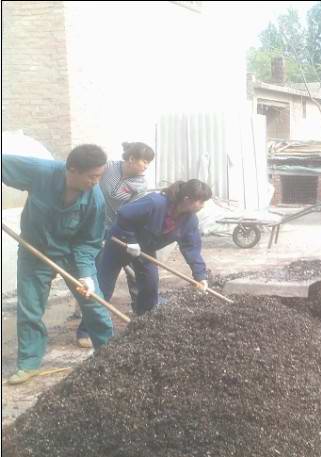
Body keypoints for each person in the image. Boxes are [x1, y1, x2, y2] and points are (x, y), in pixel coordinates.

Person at [2, 145, 114, 385]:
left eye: (100, 176)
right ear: (71, 169)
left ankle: (110, 352)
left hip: (74, 255)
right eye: (92, 176)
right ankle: (29, 363)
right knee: (30, 308)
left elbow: (90, 240)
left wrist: (85, 274)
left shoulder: (95, 199)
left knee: (93, 302)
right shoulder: (41, 172)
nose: (96, 182)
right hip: (36, 252)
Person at [75, 141, 155, 348]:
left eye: (148, 162)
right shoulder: (108, 167)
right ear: (130, 159)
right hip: (88, 222)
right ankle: (85, 325)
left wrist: (120, 235)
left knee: (116, 277)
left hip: (115, 231)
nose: (146, 166)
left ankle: (141, 319)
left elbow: (130, 212)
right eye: (144, 161)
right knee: (93, 274)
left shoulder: (140, 184)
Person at [97, 179, 213, 315]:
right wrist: (130, 239)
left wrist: (200, 276)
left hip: (145, 249)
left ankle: (144, 320)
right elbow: (124, 214)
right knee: (104, 286)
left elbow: (192, 248)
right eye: (201, 201)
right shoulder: (155, 203)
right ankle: (86, 331)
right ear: (187, 199)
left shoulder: (189, 221)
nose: (203, 206)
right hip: (119, 243)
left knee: (150, 285)